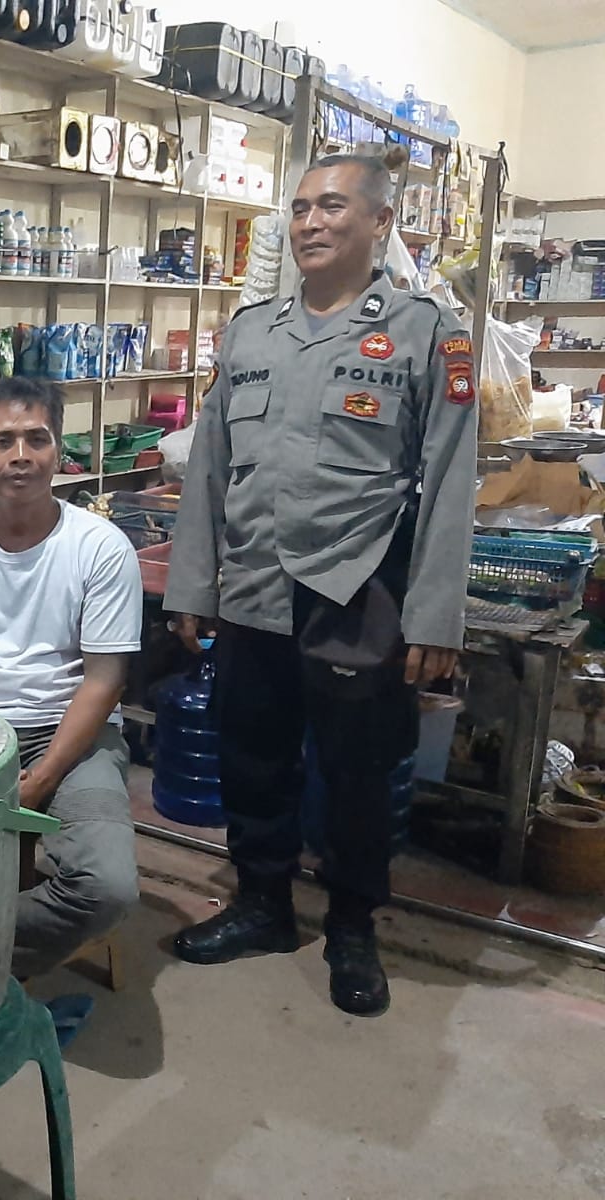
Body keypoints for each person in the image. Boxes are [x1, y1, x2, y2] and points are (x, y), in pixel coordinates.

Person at [165, 152, 478, 1018]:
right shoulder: (251, 332)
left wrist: (436, 618)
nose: (310, 222)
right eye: (300, 208)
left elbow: (452, 482)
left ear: (380, 222)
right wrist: (192, 586)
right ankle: (263, 906)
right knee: (252, 756)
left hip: (356, 588)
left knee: (355, 773)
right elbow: (208, 469)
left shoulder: (427, 333)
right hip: (254, 584)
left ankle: (351, 927)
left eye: (332, 206)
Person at [0, 377, 143, 980]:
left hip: (74, 736)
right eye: (3, 441)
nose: (21, 455)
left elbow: (105, 679)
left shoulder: (101, 547)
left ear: (58, 451)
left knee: (107, 887)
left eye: (37, 439)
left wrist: (40, 779)